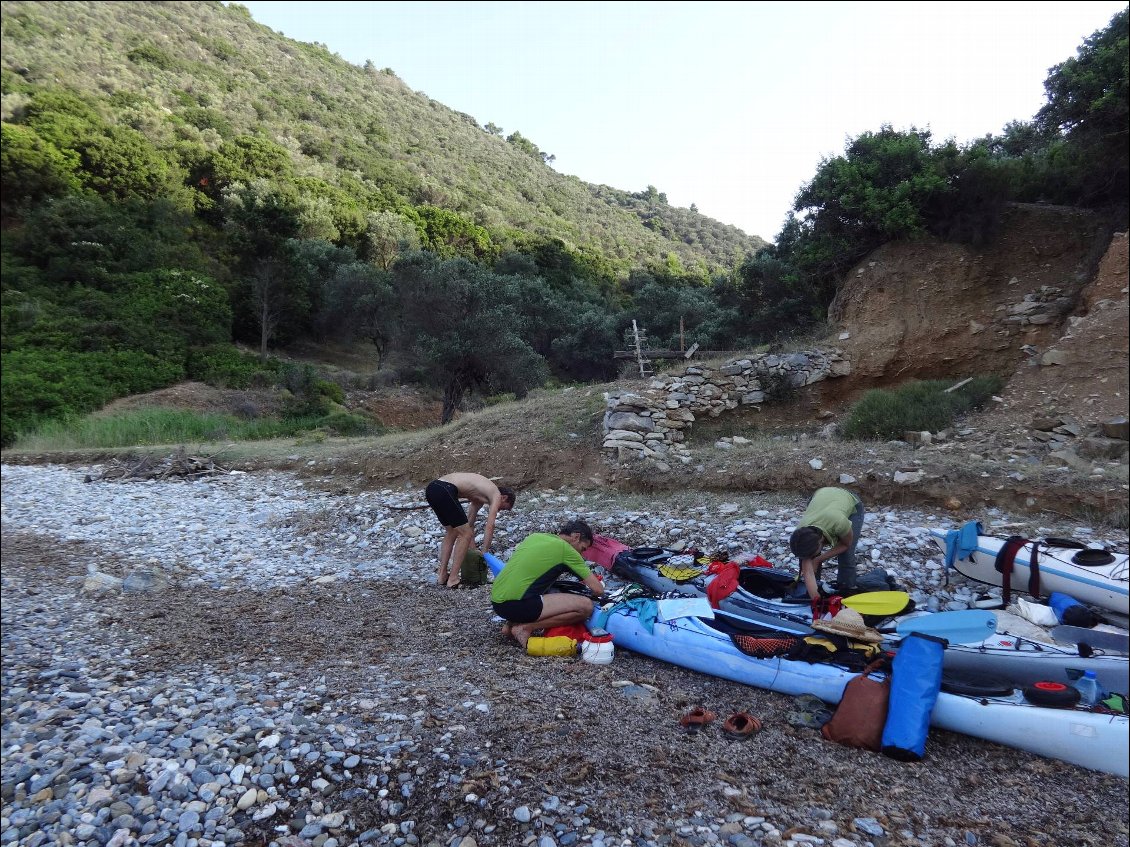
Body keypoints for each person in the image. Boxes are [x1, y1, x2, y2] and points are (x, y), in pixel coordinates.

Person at [491, 519, 605, 649]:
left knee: (543, 585)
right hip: (516, 606)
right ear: (576, 537)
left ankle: (510, 625)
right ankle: (526, 627)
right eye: (582, 548)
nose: (581, 554)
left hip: (497, 602)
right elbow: (598, 590)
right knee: (586, 606)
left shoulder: (536, 537)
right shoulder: (566, 550)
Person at [424, 472, 515, 588]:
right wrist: (485, 551)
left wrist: (473, 549)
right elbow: (490, 525)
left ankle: (442, 576)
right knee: (465, 533)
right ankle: (453, 579)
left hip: (433, 489)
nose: (499, 510)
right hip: (445, 489)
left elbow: (468, 523)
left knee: (452, 531)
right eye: (503, 508)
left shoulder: (479, 496)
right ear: (504, 497)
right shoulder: (496, 494)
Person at [789, 487, 865, 600]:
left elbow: (845, 544)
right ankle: (817, 588)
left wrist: (818, 559)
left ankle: (847, 592)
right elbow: (807, 568)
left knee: (846, 555)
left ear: (821, 541)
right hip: (820, 496)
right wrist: (816, 601)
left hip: (849, 500)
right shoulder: (802, 531)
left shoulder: (839, 522)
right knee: (808, 555)